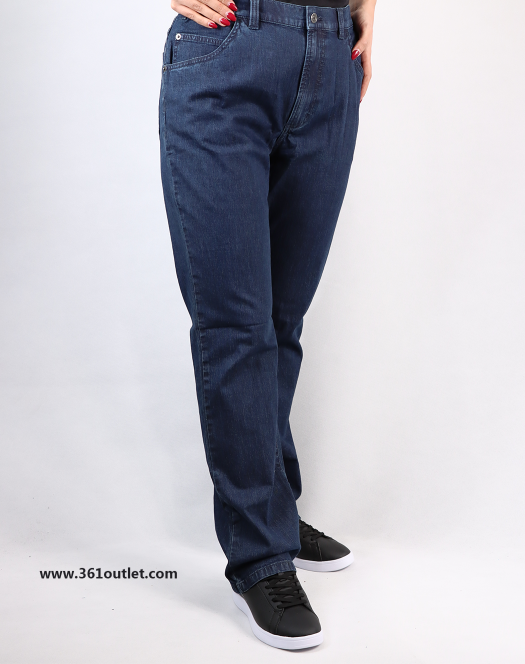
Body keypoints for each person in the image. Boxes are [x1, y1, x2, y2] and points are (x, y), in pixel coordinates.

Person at [159, 0, 376, 650]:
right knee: (236, 326)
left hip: (334, 52)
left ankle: (273, 508)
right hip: (229, 48)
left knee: (282, 320)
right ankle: (260, 555)